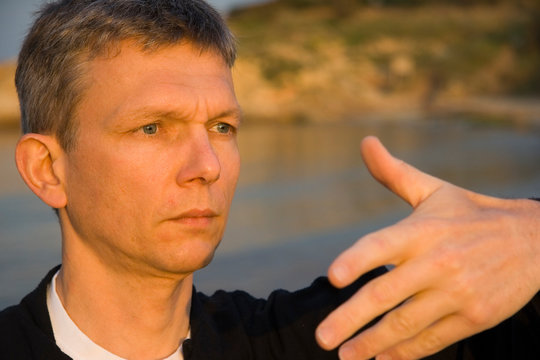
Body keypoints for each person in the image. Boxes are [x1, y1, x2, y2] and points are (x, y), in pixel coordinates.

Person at [0, 0, 538, 359]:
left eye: (222, 126)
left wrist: (525, 234)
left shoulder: (314, 340)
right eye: (151, 127)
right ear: (47, 169)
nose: (207, 165)